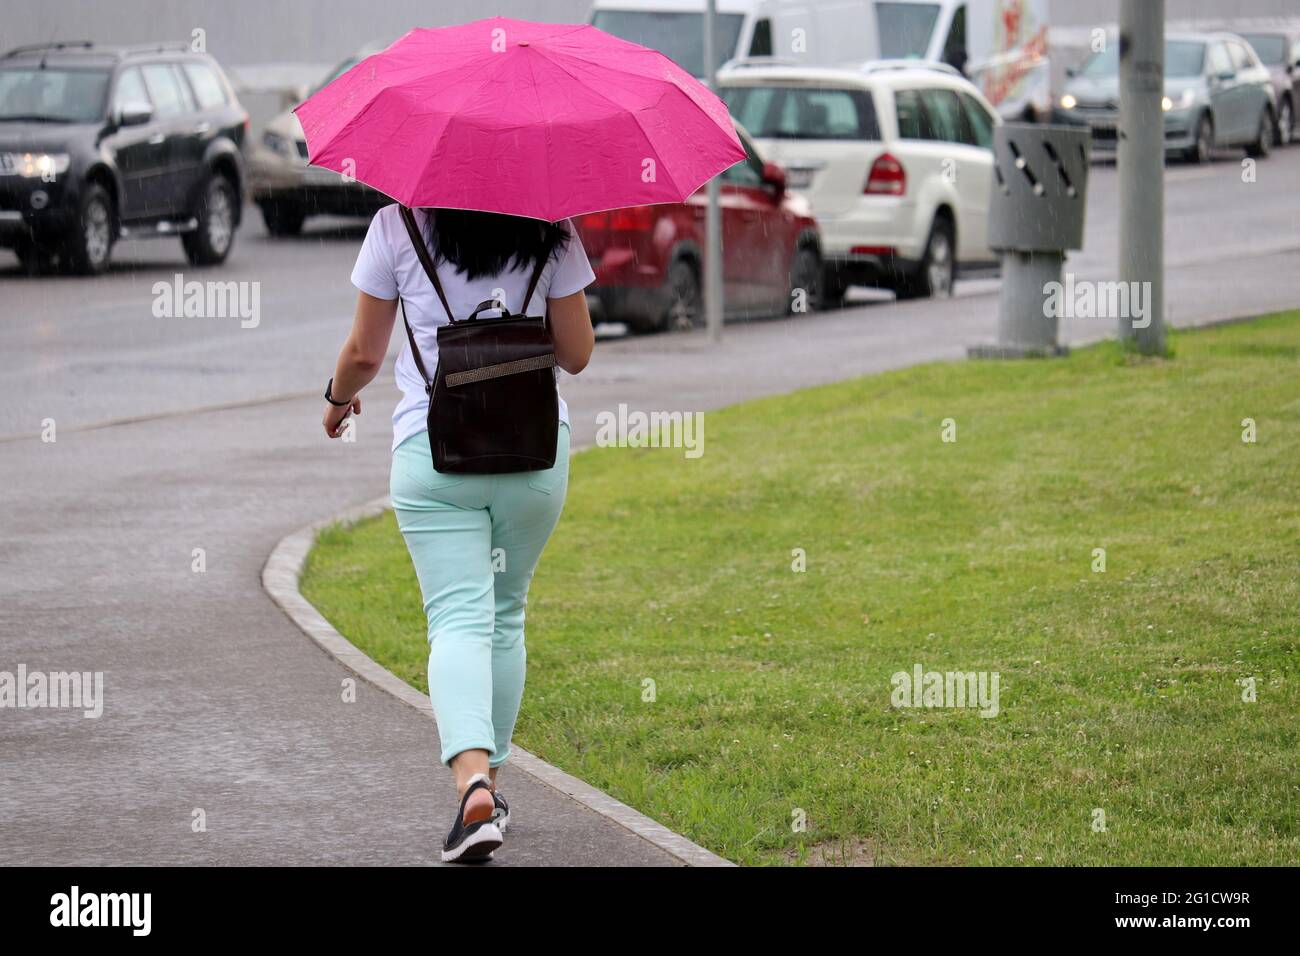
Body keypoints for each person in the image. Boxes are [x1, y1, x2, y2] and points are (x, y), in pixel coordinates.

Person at [322, 203, 595, 862]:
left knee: (456, 619)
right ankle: (488, 792)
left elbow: (364, 351)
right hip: (533, 455)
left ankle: (472, 783)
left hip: (433, 454)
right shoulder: (549, 224)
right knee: (504, 611)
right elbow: (578, 354)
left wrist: (336, 400)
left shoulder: (397, 226)